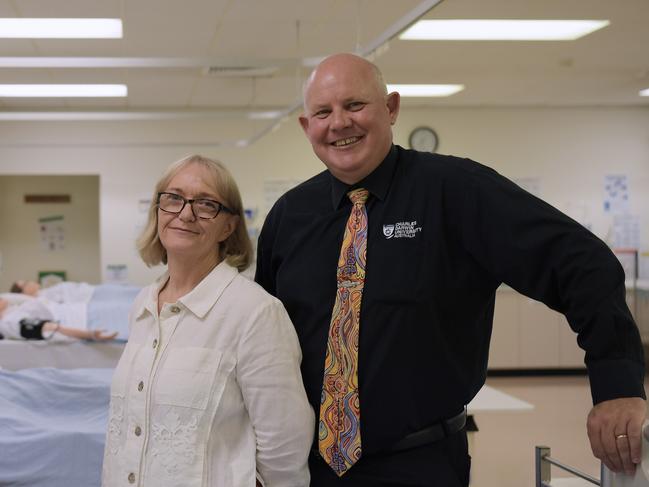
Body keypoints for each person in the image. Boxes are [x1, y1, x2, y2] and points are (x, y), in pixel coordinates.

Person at [254, 53, 646, 486]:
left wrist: (618, 385)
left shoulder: (456, 192)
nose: (339, 123)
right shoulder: (289, 218)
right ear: (307, 127)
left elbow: (582, 264)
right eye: (323, 112)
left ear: (392, 108)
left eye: (355, 105)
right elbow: (265, 345)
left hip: (420, 466)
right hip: (306, 470)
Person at [101, 155, 313, 487]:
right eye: (173, 198)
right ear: (158, 210)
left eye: (206, 204)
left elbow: (285, 451)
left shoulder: (254, 312)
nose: (185, 214)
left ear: (228, 226)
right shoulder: (143, 304)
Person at [0, 296, 117, 341]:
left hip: (79, 311)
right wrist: (90, 335)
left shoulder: (13, 310)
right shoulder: (10, 321)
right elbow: (53, 328)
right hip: (81, 320)